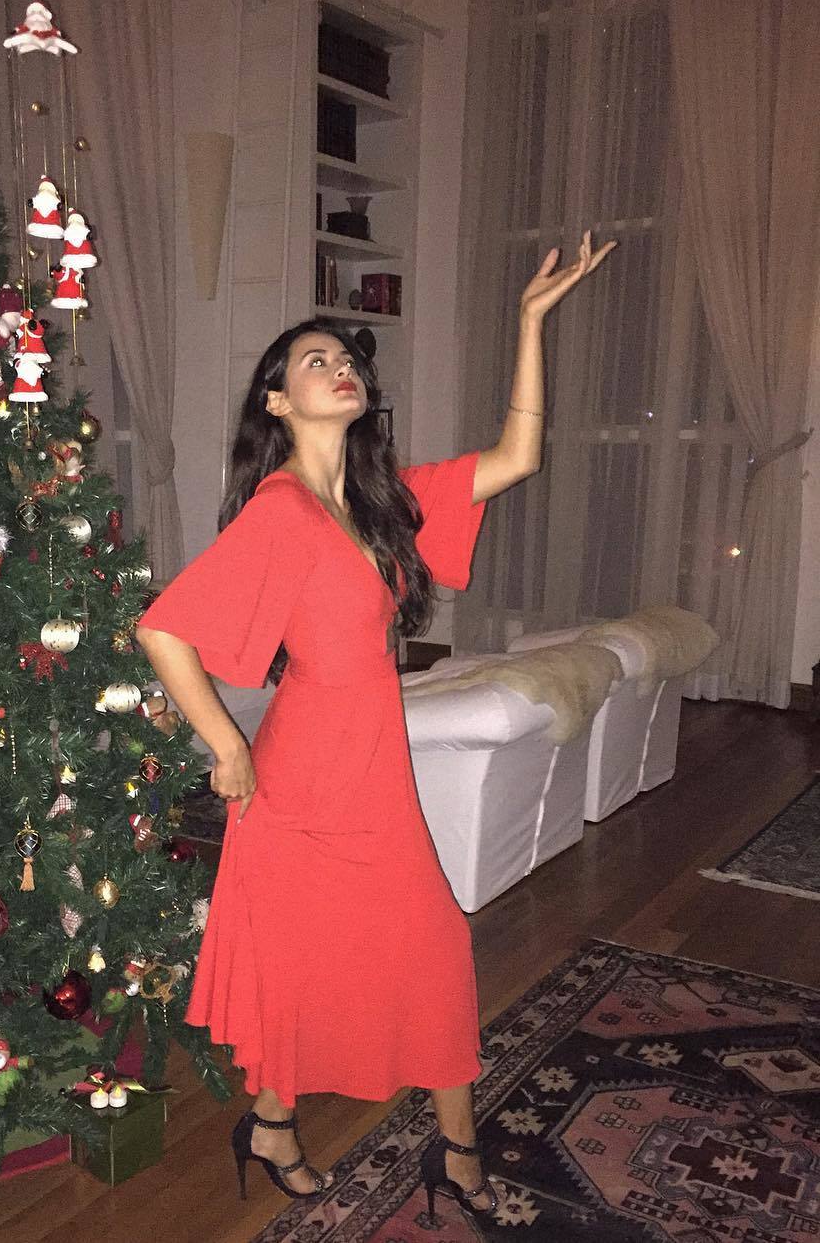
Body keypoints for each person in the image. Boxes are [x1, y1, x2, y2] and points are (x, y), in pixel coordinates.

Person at [136, 230, 616, 1221]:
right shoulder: (280, 511)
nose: (340, 367)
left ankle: (441, 1145)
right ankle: (288, 1127)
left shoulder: (379, 502)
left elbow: (518, 455)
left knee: (429, 947)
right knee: (307, 959)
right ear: (277, 402)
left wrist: (531, 321)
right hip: (302, 781)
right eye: (314, 361)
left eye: (346, 358)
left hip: (373, 770)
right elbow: (162, 628)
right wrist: (227, 746)